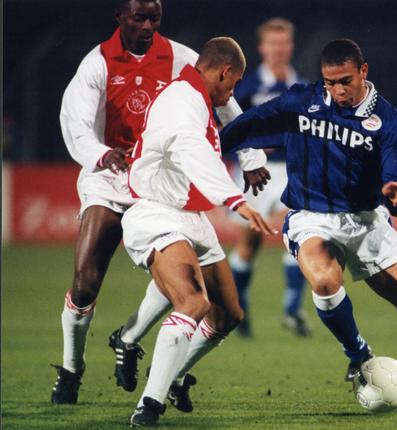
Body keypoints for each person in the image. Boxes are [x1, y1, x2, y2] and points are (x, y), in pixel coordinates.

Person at [219, 39, 397, 411]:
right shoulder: (301, 102)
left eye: (345, 81)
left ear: (363, 72)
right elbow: (244, 126)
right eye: (329, 82)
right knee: (323, 279)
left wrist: (395, 195)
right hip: (311, 217)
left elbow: (394, 178)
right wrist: (198, 149)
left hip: (366, 221)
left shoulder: (387, 120)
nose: (337, 90)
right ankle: (357, 352)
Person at [54, 0, 255, 405]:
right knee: (86, 281)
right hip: (110, 179)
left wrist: (250, 158)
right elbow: (74, 120)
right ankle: (72, 367)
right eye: (139, 18)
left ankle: (129, 338)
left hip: (160, 182)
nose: (148, 25)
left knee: (181, 275)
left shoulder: (181, 57)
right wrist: (100, 154)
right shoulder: (97, 63)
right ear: (119, 17)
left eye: (155, 18)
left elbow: (225, 99)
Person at [123, 36, 274, 426]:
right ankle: (149, 407)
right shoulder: (181, 102)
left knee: (228, 315)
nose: (233, 91)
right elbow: (193, 150)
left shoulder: (201, 92)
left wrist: (251, 156)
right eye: (234, 82)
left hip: (190, 217)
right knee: (193, 303)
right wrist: (235, 199)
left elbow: (231, 111)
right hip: (156, 214)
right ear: (225, 72)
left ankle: (162, 369)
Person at [229, 18, 310, 337]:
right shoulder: (248, 86)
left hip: (292, 170)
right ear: (262, 47)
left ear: (291, 46)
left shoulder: (302, 86)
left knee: (298, 235)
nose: (279, 49)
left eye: (284, 43)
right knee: (250, 242)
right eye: (273, 43)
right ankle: (241, 307)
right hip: (256, 172)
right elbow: (230, 124)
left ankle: (292, 309)